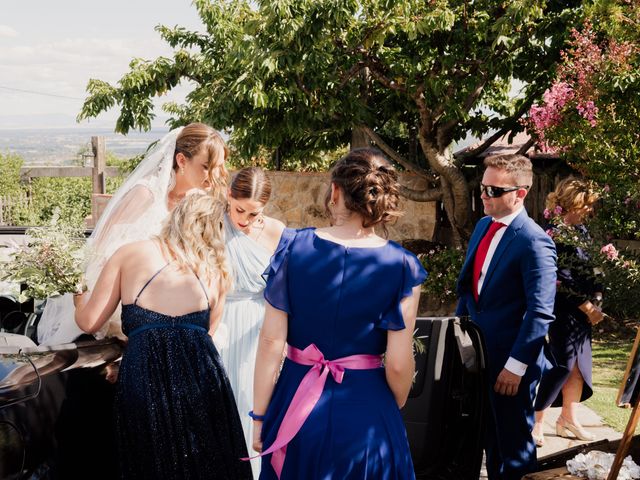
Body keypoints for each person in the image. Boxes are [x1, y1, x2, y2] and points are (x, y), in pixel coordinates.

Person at [249, 148, 427, 479]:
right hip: (367, 407)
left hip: (295, 405)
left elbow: (272, 339)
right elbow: (400, 363)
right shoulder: (403, 266)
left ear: (335, 191)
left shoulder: (292, 248)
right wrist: (391, 405)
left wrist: (260, 416)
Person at [73, 193, 252, 480]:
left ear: (176, 215)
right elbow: (208, 334)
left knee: (148, 462)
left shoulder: (130, 253)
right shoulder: (216, 272)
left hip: (144, 378)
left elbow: (89, 320)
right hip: (201, 382)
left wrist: (78, 295)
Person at [38, 122, 229, 345]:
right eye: (206, 166)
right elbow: (102, 249)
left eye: (217, 168)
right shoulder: (145, 195)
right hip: (131, 309)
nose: (212, 176)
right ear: (181, 160)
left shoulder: (198, 204)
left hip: (182, 311)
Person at [456, 154, 557, 480]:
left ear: (520, 193)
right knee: (484, 439)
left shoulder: (534, 241)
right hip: (477, 356)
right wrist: (458, 336)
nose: (484, 195)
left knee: (513, 447)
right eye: (483, 187)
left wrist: (515, 367)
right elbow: (469, 290)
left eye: (494, 190)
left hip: (512, 363)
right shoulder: (484, 225)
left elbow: (540, 311)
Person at [214, 166, 285, 477]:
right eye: (239, 209)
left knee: (251, 404)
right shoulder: (211, 223)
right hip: (218, 322)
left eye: (254, 213)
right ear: (229, 195)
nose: (244, 219)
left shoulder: (277, 231)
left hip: (259, 327)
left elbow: (284, 290)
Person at [532, 177, 602, 447]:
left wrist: (597, 300)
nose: (589, 210)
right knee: (561, 366)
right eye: (585, 205)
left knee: (579, 369)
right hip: (562, 311)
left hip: (585, 312)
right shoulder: (552, 232)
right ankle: (537, 421)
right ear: (572, 202)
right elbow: (557, 278)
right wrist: (585, 306)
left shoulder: (583, 232)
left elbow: (595, 268)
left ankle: (568, 419)